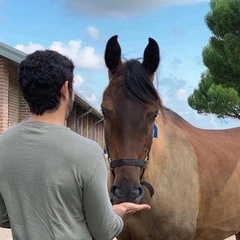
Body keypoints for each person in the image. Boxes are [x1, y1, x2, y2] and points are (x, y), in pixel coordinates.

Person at [0, 50, 150, 240]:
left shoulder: (4, 144)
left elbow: (3, 215)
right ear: (65, 89)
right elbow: (104, 231)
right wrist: (119, 211)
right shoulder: (88, 152)